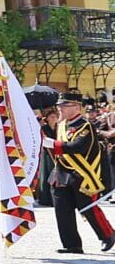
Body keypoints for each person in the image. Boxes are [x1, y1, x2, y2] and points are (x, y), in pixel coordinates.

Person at [43, 90, 105, 254]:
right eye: (59, 105)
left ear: (77, 107)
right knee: (62, 210)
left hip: (80, 173)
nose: (60, 108)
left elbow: (77, 147)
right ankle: (72, 244)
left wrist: (52, 144)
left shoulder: (85, 126)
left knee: (87, 208)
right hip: (61, 174)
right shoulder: (61, 125)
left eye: (64, 105)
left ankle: (107, 236)